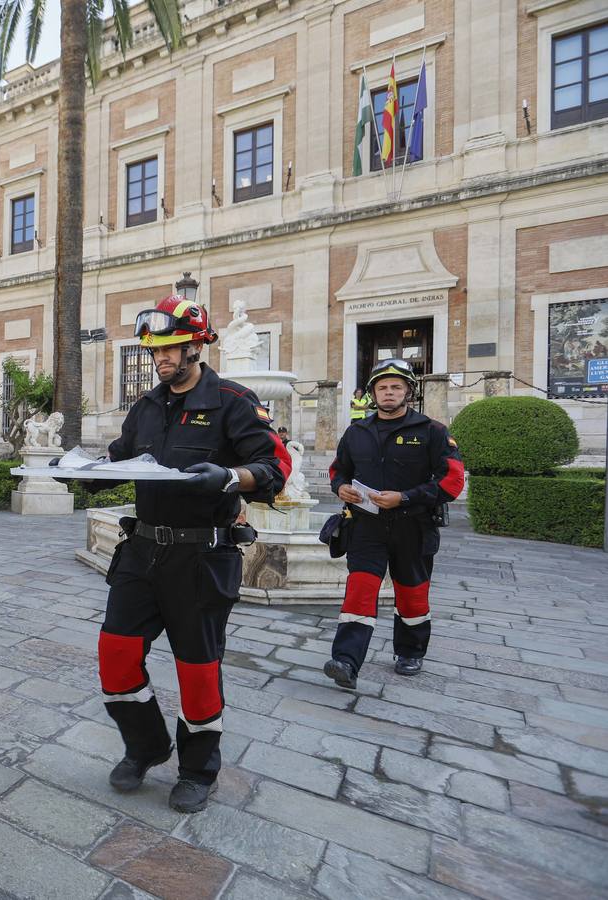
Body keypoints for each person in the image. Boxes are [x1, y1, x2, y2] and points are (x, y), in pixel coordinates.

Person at [68, 295, 289, 813]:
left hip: (201, 560)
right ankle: (145, 746)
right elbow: (121, 461)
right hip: (141, 553)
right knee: (116, 658)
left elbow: (273, 468)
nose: (160, 357)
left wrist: (231, 477)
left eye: (170, 347)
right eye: (154, 350)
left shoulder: (234, 401)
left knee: (197, 669)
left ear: (196, 345)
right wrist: (79, 472)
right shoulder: (147, 407)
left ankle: (197, 769)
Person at [323, 358, 465, 690]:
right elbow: (337, 470)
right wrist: (340, 487)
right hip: (366, 527)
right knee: (360, 590)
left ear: (409, 392)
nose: (389, 393)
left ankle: (410, 652)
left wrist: (405, 497)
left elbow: (452, 483)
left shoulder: (432, 432)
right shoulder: (356, 432)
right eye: (382, 387)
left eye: (396, 387)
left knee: (412, 594)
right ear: (373, 393)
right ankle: (346, 660)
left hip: (413, 528)